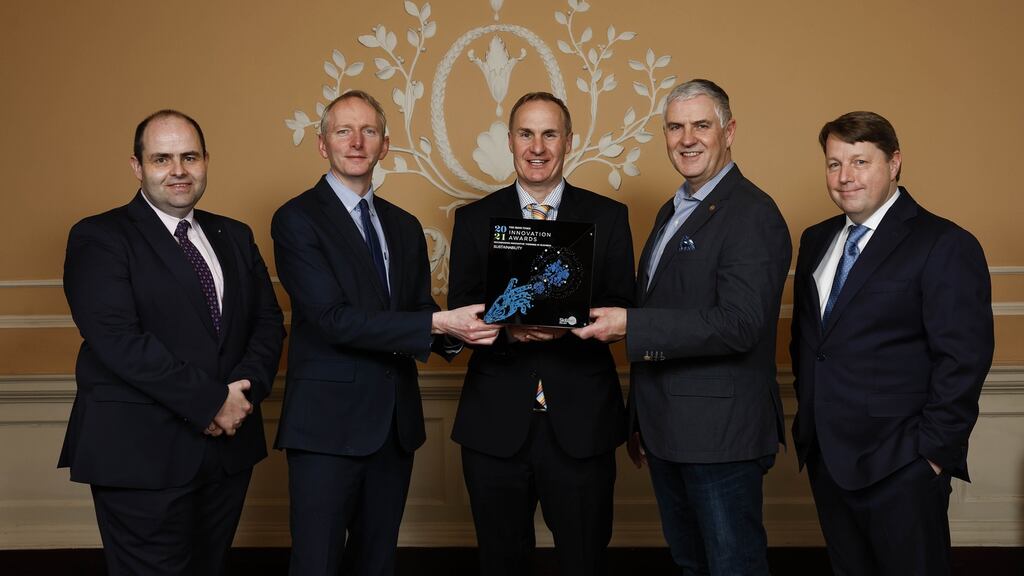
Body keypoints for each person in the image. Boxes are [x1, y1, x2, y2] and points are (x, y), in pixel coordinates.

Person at [272, 90, 497, 576]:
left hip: (394, 428)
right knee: (317, 564)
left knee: (377, 564)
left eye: (368, 131)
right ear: (322, 144)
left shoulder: (403, 225)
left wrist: (465, 333)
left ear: (385, 144)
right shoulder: (296, 219)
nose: (356, 142)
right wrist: (438, 322)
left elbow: (419, 312)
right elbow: (331, 319)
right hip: (326, 430)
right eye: (343, 131)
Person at [573, 79, 791, 575]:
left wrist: (630, 323)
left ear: (729, 131)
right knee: (692, 565)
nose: (686, 138)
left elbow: (740, 325)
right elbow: (665, 304)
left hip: (721, 439)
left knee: (732, 567)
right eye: (675, 126)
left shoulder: (751, 213)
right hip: (667, 430)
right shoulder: (673, 210)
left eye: (701, 125)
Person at [59, 110, 285, 575]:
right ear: (137, 166)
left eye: (189, 157)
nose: (178, 170)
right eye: (162, 158)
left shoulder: (235, 236)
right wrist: (210, 402)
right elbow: (119, 341)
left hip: (228, 450)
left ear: (206, 161)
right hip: (140, 455)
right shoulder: (99, 237)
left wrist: (240, 396)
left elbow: (267, 324)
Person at [789, 111, 994, 575]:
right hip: (828, 459)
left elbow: (963, 359)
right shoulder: (817, 239)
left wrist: (932, 457)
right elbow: (809, 343)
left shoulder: (943, 243)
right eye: (834, 163)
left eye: (860, 162)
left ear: (895, 162)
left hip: (902, 465)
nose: (845, 177)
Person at [447, 91, 635, 576]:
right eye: (526, 133)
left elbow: (626, 310)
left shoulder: (609, 216)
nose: (537, 146)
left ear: (568, 141)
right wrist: (511, 332)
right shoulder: (473, 219)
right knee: (501, 562)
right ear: (510, 141)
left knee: (584, 560)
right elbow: (460, 313)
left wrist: (572, 325)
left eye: (549, 133)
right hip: (495, 426)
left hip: (581, 423)